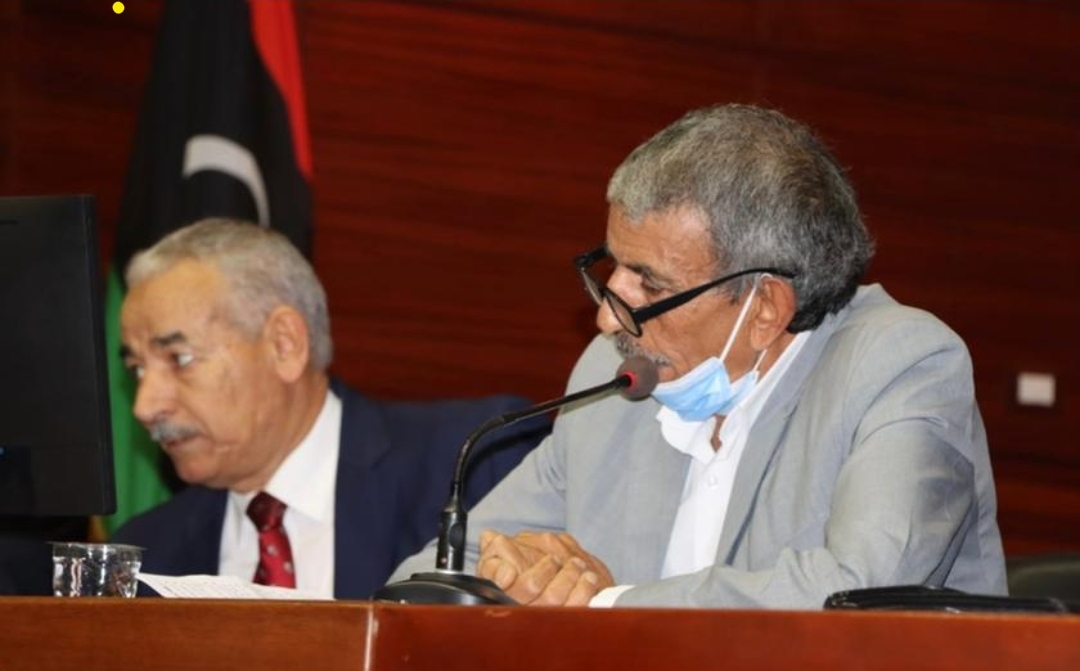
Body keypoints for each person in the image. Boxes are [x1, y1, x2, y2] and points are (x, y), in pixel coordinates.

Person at [390, 104, 1007, 608]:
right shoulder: (612, 377)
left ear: (764, 308)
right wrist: (513, 576)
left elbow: (859, 592)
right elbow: (429, 581)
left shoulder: (899, 366)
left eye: (650, 286)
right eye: (613, 269)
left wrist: (607, 605)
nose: (608, 319)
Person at [112, 218, 547, 599]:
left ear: (284, 344)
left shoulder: (475, 465)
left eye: (179, 359)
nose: (145, 406)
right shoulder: (148, 551)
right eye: (137, 369)